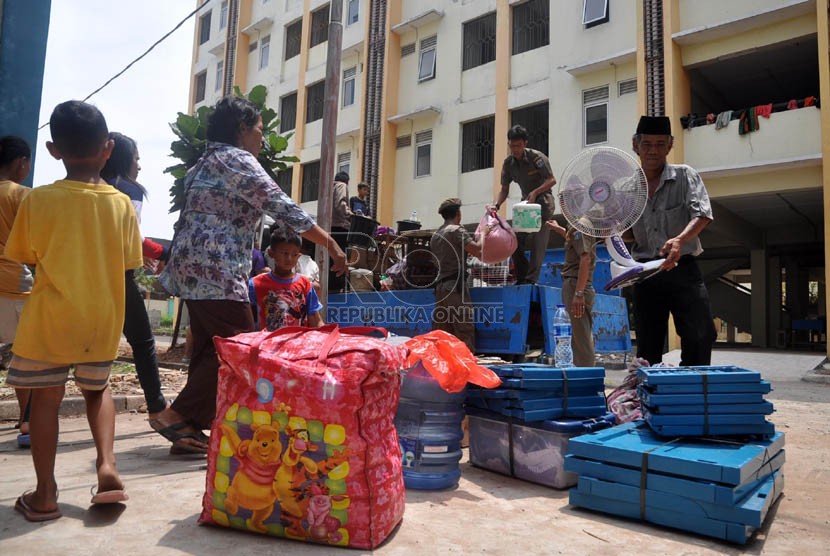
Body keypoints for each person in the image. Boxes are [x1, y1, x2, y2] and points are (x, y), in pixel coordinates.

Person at [156, 95, 346, 454]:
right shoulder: (237, 160)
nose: (261, 138)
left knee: (211, 349)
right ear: (242, 130)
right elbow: (283, 207)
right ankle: (177, 414)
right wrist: (330, 243)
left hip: (193, 270)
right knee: (243, 349)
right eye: (259, 130)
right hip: (217, 270)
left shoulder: (204, 162)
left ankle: (189, 428)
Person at [6, 100, 142, 521]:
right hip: (100, 319)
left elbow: (27, 255)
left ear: (53, 150)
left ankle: (45, 494)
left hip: (49, 318)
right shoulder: (121, 204)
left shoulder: (38, 200)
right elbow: (127, 263)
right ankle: (107, 465)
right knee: (97, 392)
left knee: (45, 401)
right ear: (108, 148)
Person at [628, 115, 717, 366]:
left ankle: (690, 392)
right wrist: (604, 231)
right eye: (647, 144)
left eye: (659, 144)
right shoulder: (627, 188)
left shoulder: (684, 175)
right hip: (646, 274)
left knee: (701, 334)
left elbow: (702, 214)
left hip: (682, 268)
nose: (653, 150)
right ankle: (651, 398)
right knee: (648, 345)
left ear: (669, 145)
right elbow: (626, 234)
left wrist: (679, 239)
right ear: (636, 145)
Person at [100, 132, 169, 423]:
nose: (139, 166)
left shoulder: (90, 185)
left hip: (81, 275)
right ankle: (157, 408)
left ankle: (30, 418)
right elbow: (133, 238)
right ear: (122, 157)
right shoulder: (129, 190)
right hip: (117, 276)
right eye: (137, 158)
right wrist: (164, 252)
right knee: (142, 342)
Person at [0, 136, 34, 448]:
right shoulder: (22, 195)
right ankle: (26, 421)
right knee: (24, 358)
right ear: (21, 162)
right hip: (15, 285)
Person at [494, 125, 556, 285]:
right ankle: (522, 277)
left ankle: (531, 280)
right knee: (513, 240)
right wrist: (497, 204)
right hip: (526, 206)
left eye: (518, 146)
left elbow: (551, 180)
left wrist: (536, 192)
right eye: (512, 146)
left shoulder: (537, 158)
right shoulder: (508, 164)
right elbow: (504, 189)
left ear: (525, 143)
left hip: (543, 203)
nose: (515, 149)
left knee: (538, 242)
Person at [430, 198, 484, 352]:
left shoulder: (436, 235)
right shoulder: (456, 231)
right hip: (455, 288)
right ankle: (466, 368)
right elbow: (478, 251)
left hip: (440, 289)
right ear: (458, 214)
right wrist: (484, 234)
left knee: (442, 332)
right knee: (464, 329)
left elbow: (434, 261)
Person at [545, 219, 597, 366]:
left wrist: (578, 293)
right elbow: (574, 240)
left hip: (576, 284)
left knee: (580, 341)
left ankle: (585, 379)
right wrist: (559, 229)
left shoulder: (580, 223)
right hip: (575, 284)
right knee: (579, 337)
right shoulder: (578, 225)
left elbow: (585, 258)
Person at [249, 231, 324, 330]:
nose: (289, 258)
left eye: (294, 254)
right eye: (284, 253)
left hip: (298, 342)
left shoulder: (305, 283)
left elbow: (315, 319)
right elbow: (246, 319)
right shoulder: (255, 284)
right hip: (268, 343)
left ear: (299, 256)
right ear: (271, 253)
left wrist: (324, 336)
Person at [330, 171, 352, 292]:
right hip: (340, 226)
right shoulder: (341, 185)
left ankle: (331, 286)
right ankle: (338, 286)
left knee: (332, 258)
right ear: (347, 181)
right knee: (340, 257)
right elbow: (340, 204)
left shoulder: (330, 187)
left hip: (329, 227)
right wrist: (350, 214)